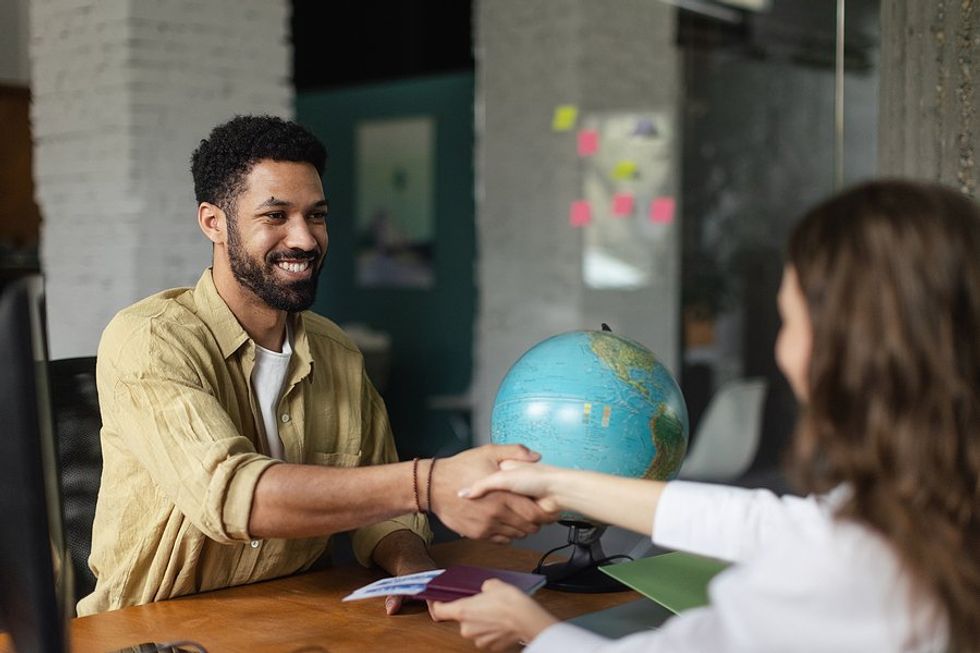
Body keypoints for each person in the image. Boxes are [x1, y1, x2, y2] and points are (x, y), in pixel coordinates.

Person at [433, 179, 980, 652]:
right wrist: (558, 482)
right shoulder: (933, 507)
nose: (780, 350)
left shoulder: (843, 569)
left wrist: (530, 626)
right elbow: (779, 526)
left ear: (842, 351)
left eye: (786, 321)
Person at [78, 115, 551, 616]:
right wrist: (429, 482)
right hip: (147, 633)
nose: (304, 239)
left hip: (298, 620)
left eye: (316, 215)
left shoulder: (337, 351)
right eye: (275, 216)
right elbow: (232, 495)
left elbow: (385, 509)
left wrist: (411, 564)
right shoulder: (150, 339)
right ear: (213, 222)